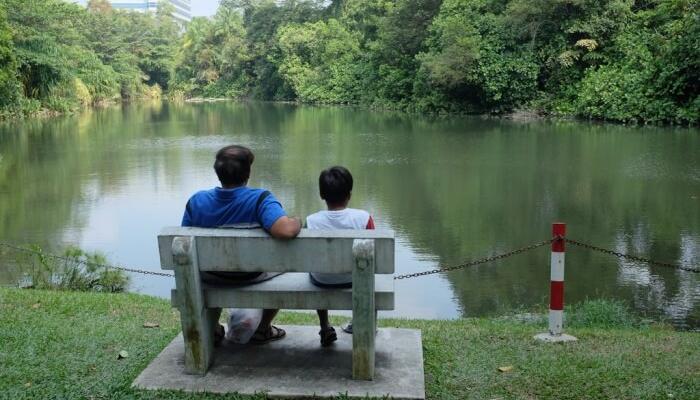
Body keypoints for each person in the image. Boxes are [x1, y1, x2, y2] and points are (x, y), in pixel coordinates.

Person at [182, 144, 301, 344]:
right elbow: (286, 230)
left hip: (211, 274)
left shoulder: (197, 201)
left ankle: (212, 327)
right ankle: (263, 328)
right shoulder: (260, 199)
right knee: (284, 267)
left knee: (210, 265)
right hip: (250, 275)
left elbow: (183, 241)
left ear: (218, 173)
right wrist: (297, 220)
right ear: (248, 173)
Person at [306, 166, 375, 346]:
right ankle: (361, 322)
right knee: (365, 272)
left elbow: (309, 256)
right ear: (349, 194)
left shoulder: (311, 221)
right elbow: (373, 252)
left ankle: (325, 326)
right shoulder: (364, 217)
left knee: (319, 267)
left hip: (321, 279)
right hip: (356, 279)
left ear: (322, 195)